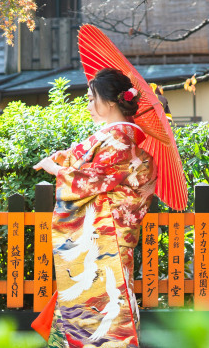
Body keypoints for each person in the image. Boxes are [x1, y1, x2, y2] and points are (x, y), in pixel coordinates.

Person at [34, 68, 155, 348]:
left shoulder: (122, 138)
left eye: (91, 98)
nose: (88, 105)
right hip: (101, 240)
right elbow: (92, 166)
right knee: (93, 310)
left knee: (107, 314)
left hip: (106, 239)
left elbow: (94, 179)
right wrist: (66, 158)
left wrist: (58, 169)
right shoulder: (117, 136)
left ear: (111, 102)